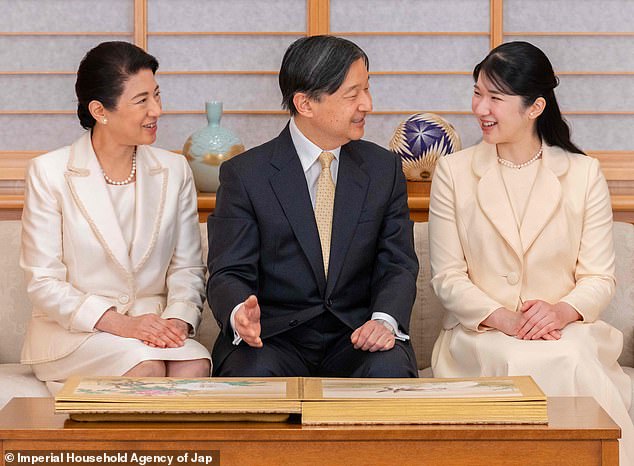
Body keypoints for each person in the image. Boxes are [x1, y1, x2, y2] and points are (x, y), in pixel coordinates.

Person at [428, 41, 634, 463]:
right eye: (477, 93)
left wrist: (561, 312)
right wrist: (504, 318)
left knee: (569, 354)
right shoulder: (454, 172)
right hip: (481, 337)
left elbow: (599, 278)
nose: (481, 108)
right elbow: (447, 277)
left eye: (496, 98)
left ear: (535, 107)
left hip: (565, 332)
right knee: (514, 358)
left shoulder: (583, 173)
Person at [207, 35, 419, 378]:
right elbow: (229, 271)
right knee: (250, 379)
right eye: (353, 94)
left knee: (389, 370)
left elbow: (397, 263)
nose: (368, 104)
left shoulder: (383, 169)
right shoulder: (246, 175)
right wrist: (238, 314)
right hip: (273, 339)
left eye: (367, 89)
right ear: (305, 104)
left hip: (357, 336)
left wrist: (383, 321)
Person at [20, 41, 211, 388]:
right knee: (147, 368)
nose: (156, 110)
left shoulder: (175, 169)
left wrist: (178, 321)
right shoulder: (49, 173)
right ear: (100, 110)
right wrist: (119, 323)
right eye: (142, 101)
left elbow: (188, 268)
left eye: (157, 95)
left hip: (152, 328)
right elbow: (44, 282)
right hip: (77, 332)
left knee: (194, 365)